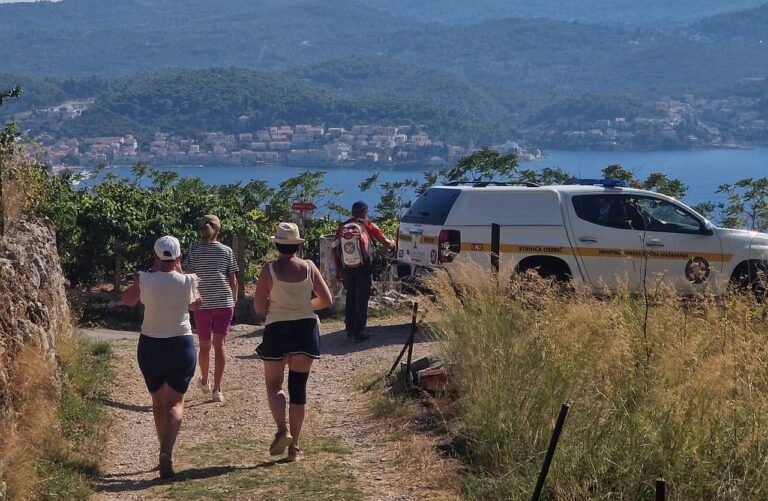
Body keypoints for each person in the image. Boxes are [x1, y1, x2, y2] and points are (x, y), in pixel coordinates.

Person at [122, 235, 202, 479]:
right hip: (181, 344)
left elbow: (128, 300)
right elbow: (196, 305)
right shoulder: (188, 280)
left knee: (158, 400)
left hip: (150, 345)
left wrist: (144, 276)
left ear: (155, 257)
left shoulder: (144, 279)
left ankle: (161, 448)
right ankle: (167, 451)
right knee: (176, 402)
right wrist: (181, 274)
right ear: (179, 257)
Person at [253, 222, 333, 462]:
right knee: (298, 389)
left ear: (277, 244)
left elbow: (258, 307)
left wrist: (276, 307)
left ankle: (282, 429)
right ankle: (295, 448)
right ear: (299, 245)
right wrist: (305, 306)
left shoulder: (269, 270)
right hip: (305, 330)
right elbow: (326, 299)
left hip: (277, 329)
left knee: (273, 386)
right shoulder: (309, 267)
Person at [183, 214, 239, 403]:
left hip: (202, 304)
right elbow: (233, 280)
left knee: (205, 345)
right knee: (220, 345)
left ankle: (205, 381)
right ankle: (217, 390)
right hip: (224, 303)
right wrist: (234, 299)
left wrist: (193, 297)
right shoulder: (227, 251)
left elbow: (189, 275)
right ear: (218, 230)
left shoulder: (194, 250)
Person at [333, 200, 395, 342]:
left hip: (346, 268)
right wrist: (394, 243)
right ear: (365, 212)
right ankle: (359, 332)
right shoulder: (368, 225)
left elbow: (334, 250)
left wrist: (338, 271)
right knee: (362, 298)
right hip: (363, 267)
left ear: (352, 212)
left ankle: (349, 329)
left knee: (350, 296)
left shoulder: (343, 227)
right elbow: (385, 242)